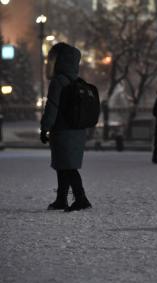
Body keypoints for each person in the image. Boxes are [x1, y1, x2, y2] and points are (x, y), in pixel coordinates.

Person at [40, 42, 92, 212]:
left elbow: (52, 107)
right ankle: (61, 199)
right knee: (64, 166)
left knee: (68, 167)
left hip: (62, 130)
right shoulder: (77, 81)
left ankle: (81, 199)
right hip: (77, 129)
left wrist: (45, 128)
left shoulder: (59, 81)